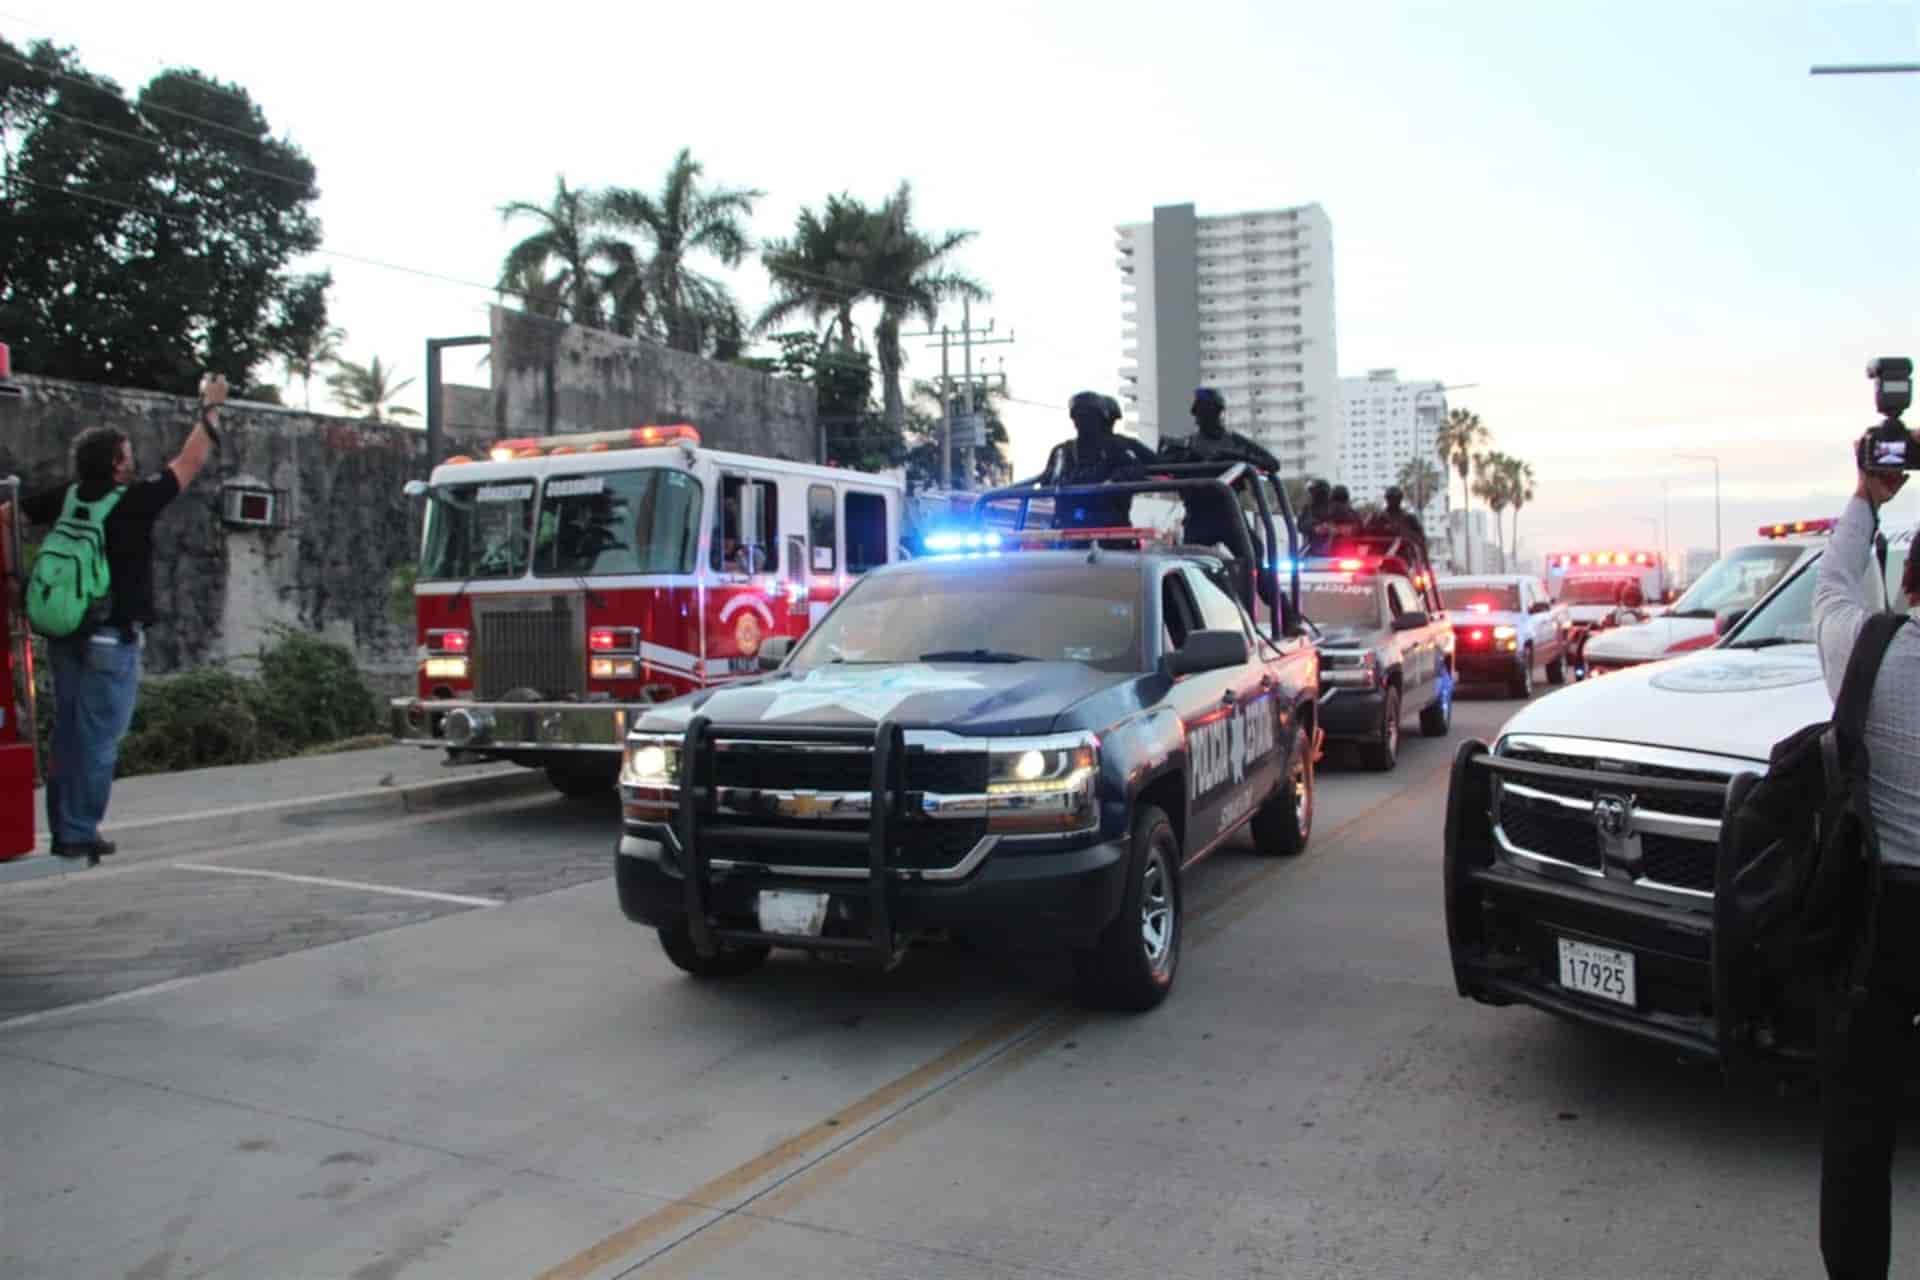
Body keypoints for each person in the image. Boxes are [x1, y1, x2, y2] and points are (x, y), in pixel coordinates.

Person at [22, 374, 221, 859]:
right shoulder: (132, 501)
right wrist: (210, 409)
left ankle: (65, 825)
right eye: (128, 453)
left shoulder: (67, 497)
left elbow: (8, 515)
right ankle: (78, 832)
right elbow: (191, 461)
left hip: (64, 632)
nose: (134, 460)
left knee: (69, 733)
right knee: (98, 740)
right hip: (110, 641)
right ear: (117, 463)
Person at [1809, 451, 1920, 1280]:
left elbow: (1833, 588)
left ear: (1910, 583)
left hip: (1881, 922)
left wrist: (1866, 497)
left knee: (1859, 1131)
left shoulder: (1869, 652)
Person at [1039, 390, 1157, 529]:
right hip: (1067, 530)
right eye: (1078, 416)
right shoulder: (1062, 451)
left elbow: (1138, 470)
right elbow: (1046, 483)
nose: (1082, 421)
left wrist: (1113, 481)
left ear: (1099, 419)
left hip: (1109, 530)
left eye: (1088, 416)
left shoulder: (1117, 447)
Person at [1162, 388, 1281, 472]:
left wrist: (1235, 457)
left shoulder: (1234, 441)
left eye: (1205, 412)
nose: (1198, 416)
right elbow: (1161, 465)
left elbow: (1273, 464)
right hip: (1197, 505)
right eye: (1199, 412)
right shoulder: (1188, 443)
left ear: (1217, 413)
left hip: (1229, 504)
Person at [1365, 485, 1428, 556]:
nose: (1393, 501)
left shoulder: (1409, 518)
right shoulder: (1377, 517)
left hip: (1403, 556)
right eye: (1391, 498)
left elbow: (1421, 539)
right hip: (1378, 555)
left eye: (1396, 498)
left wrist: (1406, 534)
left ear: (1400, 499)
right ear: (1387, 499)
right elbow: (1364, 534)